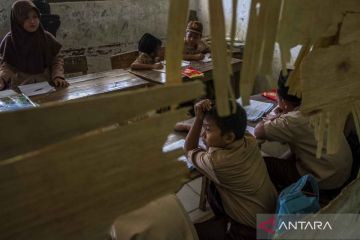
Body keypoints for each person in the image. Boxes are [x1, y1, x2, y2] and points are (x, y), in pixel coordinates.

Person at [184, 99, 277, 240]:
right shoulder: (249, 140)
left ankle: (227, 226)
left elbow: (189, 149)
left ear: (228, 137)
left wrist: (198, 118)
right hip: (273, 215)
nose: (203, 135)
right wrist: (199, 127)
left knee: (190, 233)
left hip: (252, 231)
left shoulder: (217, 162)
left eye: (208, 129)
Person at [254, 70, 353, 191]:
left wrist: (276, 115)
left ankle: (280, 193)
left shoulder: (294, 120)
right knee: (294, 150)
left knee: (263, 164)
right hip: (342, 171)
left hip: (326, 180)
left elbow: (258, 131)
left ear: (283, 102)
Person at [0, 0, 69, 91]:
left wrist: (57, 76)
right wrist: (2, 79)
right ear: (17, 20)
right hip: (20, 88)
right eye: (26, 18)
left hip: (46, 86)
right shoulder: (11, 40)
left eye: (35, 17)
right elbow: (7, 65)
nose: (32, 21)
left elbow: (56, 60)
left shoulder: (46, 37)